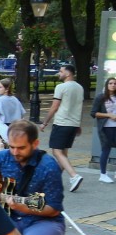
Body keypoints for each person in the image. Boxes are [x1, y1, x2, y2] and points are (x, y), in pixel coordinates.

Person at [41, 64, 85, 192]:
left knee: (57, 152)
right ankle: (54, 182)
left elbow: (55, 106)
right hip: (73, 124)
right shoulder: (80, 88)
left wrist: (45, 122)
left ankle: (74, 176)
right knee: (63, 154)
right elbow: (80, 107)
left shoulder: (61, 87)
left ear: (68, 73)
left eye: (61, 71)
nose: (59, 74)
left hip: (62, 123)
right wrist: (78, 124)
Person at [91, 77, 116, 184]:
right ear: (107, 85)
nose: (113, 85)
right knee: (106, 149)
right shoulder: (100, 97)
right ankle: (103, 174)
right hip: (106, 128)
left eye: (115, 83)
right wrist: (108, 115)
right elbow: (93, 113)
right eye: (110, 83)